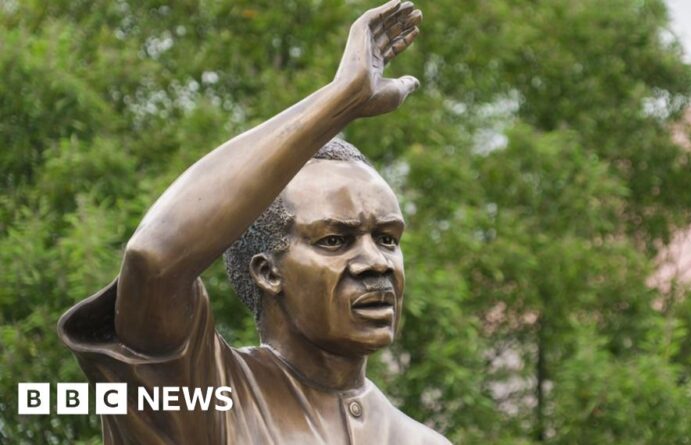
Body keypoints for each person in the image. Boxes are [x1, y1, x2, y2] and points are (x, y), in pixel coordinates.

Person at [57, 1, 451, 443]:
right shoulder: (205, 396)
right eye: (336, 240)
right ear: (267, 271)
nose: (376, 262)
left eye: (387, 239)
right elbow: (155, 258)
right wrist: (340, 101)